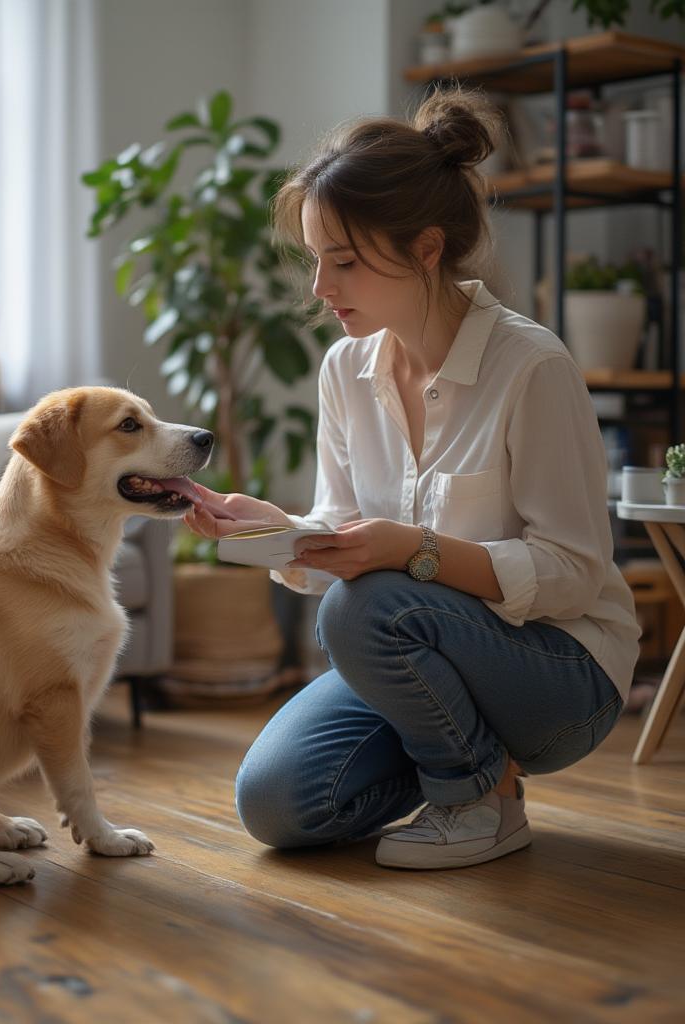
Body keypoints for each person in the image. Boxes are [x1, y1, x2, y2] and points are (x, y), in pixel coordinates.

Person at [184, 88, 640, 870]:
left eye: (347, 262)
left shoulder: (531, 366)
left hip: (562, 674)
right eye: (316, 260)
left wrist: (410, 550)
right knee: (276, 803)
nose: (322, 289)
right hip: (418, 656)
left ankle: (477, 798)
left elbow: (572, 575)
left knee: (367, 607)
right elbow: (346, 532)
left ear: (427, 248)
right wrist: (273, 529)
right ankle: (449, 747)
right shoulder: (344, 369)